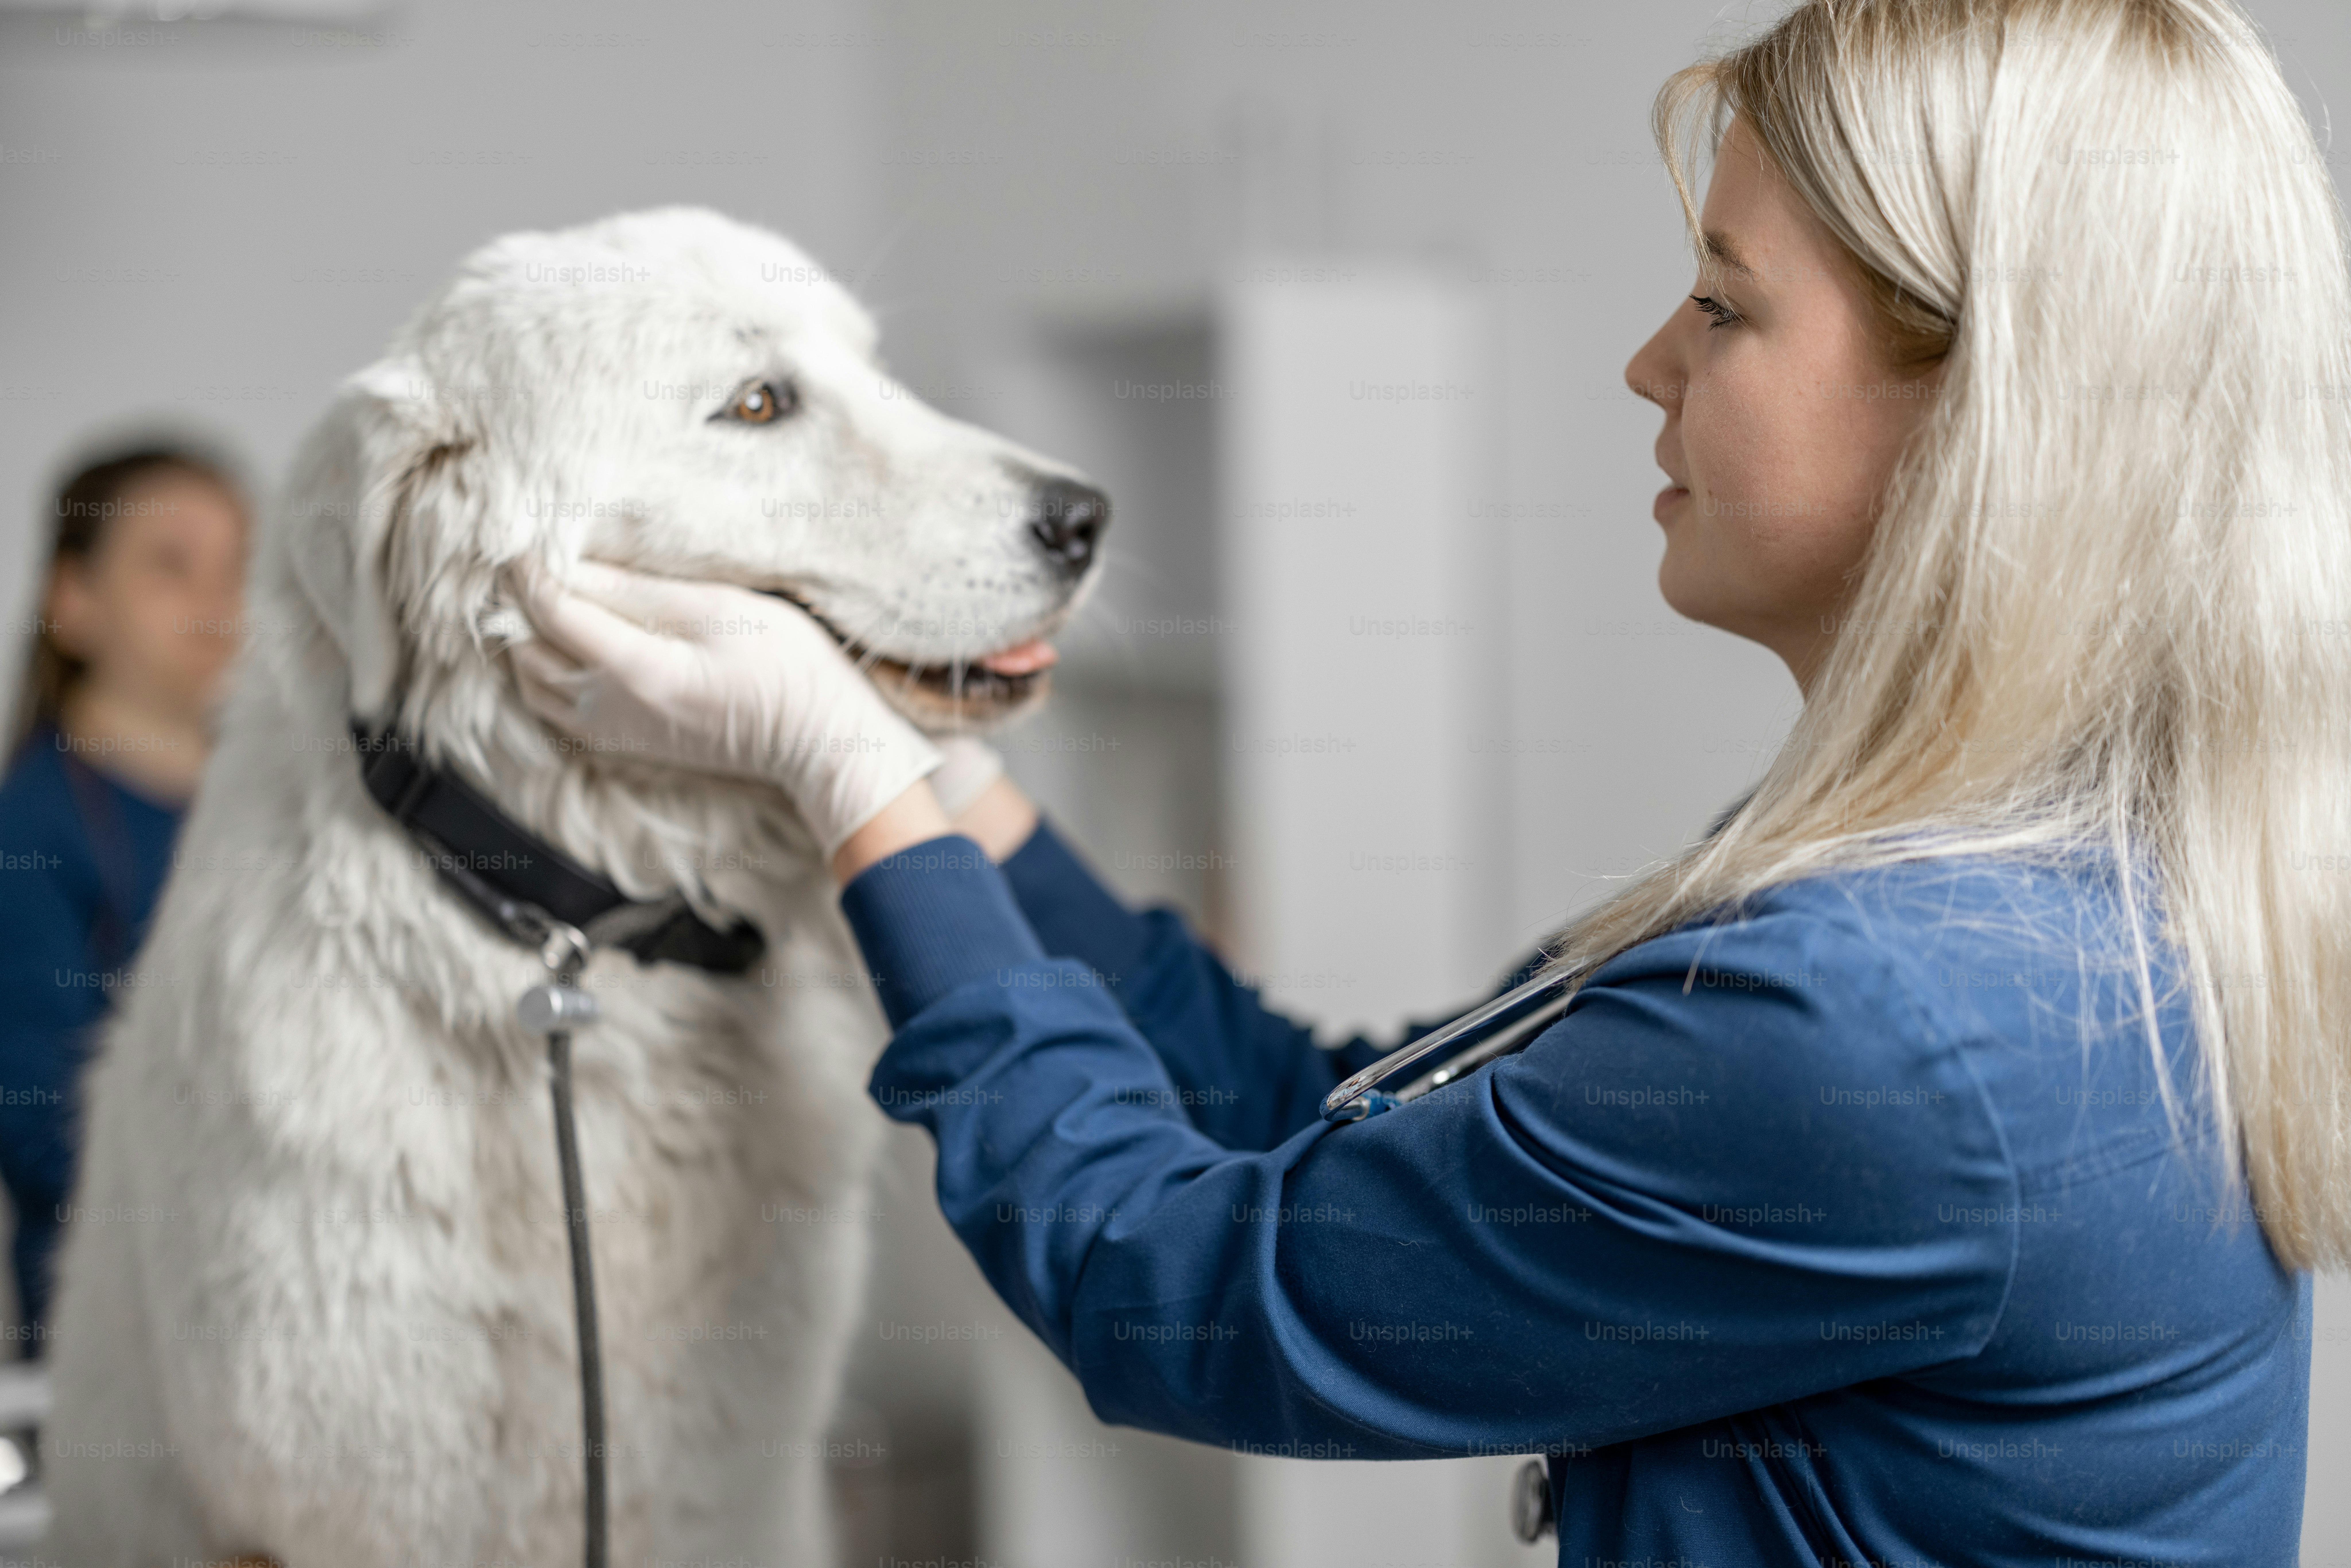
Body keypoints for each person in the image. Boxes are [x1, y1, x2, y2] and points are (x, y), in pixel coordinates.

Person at [511, 0, 2346, 1559]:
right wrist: (950, 795)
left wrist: (851, 785)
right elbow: (1346, 1127)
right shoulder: (2012, 899)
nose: (1647, 362)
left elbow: (1191, 1290)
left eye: (1722, 306)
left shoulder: (1886, 1022)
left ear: (1981, 404)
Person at [0, 443, 249, 1350]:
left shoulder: (287, 814)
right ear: (73, 604)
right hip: (124, 1333)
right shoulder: (27, 837)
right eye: (171, 567)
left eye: (238, 566)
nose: (218, 603)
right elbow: (44, 1132)